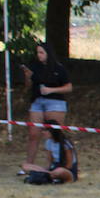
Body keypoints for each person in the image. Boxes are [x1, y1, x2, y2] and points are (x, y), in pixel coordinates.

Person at [22, 41, 73, 173]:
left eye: (41, 52)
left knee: (55, 134)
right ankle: (29, 165)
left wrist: (51, 90)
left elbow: (68, 87)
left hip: (55, 102)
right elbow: (28, 86)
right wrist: (28, 77)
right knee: (34, 134)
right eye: (37, 52)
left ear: (48, 53)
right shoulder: (35, 67)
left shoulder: (59, 68)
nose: (39, 55)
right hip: (37, 101)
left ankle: (56, 164)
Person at [20, 119, 78, 183]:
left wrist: (56, 170)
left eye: (45, 130)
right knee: (25, 166)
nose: (43, 132)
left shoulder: (66, 144)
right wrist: (46, 170)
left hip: (66, 170)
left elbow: (69, 165)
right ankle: (48, 176)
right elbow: (49, 161)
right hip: (53, 168)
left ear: (52, 131)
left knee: (59, 171)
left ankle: (46, 176)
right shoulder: (48, 142)